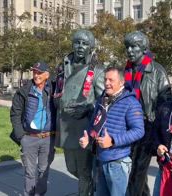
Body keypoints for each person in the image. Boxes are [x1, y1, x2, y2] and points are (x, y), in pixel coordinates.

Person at [79, 66, 145, 196]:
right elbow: (93, 124)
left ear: (121, 82)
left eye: (111, 80)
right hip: (100, 159)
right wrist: (88, 138)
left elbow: (139, 130)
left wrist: (113, 141)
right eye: (105, 79)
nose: (107, 83)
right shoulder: (101, 100)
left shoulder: (130, 102)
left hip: (117, 163)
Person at [54, 29, 105, 196]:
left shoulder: (97, 71)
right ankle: (92, 185)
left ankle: (86, 190)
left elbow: (104, 101)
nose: (80, 46)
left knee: (83, 170)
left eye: (85, 44)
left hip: (84, 127)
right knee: (71, 167)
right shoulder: (63, 66)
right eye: (77, 42)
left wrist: (88, 107)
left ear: (90, 48)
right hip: (66, 126)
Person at [124, 31, 171, 196]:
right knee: (131, 169)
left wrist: (158, 128)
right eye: (127, 46)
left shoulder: (157, 71)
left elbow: (165, 102)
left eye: (134, 46)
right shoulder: (125, 71)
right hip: (128, 126)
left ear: (144, 49)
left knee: (137, 170)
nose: (130, 50)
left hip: (148, 127)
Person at [10, 62, 56, 196]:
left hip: (48, 138)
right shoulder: (24, 91)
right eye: (35, 72)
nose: (36, 75)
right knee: (30, 172)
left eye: (39, 72)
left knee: (43, 171)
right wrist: (21, 137)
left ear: (47, 75)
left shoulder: (54, 90)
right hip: (29, 138)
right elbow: (15, 114)